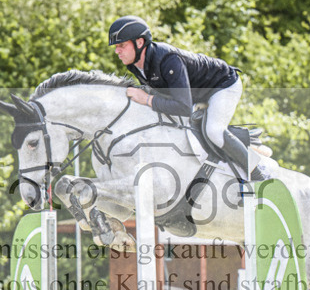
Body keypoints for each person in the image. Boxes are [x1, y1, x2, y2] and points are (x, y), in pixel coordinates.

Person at [108, 15, 258, 182]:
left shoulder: (168, 60)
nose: (117, 51)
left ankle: (258, 173)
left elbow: (183, 107)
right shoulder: (134, 64)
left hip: (222, 85)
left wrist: (147, 99)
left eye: (121, 45)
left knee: (214, 131)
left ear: (139, 42)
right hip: (194, 95)